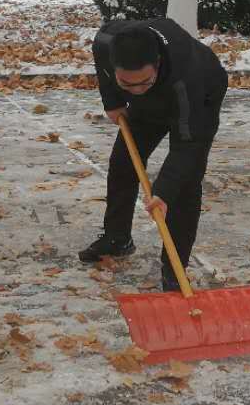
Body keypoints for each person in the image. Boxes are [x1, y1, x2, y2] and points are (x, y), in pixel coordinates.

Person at [79, 20, 228, 292]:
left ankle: (174, 268)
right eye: (127, 83)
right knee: (123, 162)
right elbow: (104, 66)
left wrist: (163, 192)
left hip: (201, 96)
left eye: (143, 82)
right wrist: (113, 100)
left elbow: (188, 145)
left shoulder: (187, 77)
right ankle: (117, 238)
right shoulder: (107, 41)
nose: (136, 90)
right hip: (155, 95)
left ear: (157, 63)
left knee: (185, 184)